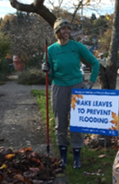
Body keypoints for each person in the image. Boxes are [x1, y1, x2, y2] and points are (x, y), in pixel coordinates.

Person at [42, 18, 100, 169]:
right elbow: (50, 76)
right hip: (59, 88)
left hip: (77, 87)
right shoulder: (50, 50)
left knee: (77, 123)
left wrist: (90, 83)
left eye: (68, 29)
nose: (66, 32)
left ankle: (76, 158)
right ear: (57, 32)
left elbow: (95, 63)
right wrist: (46, 70)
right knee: (60, 123)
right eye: (63, 29)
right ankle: (63, 158)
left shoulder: (77, 47)